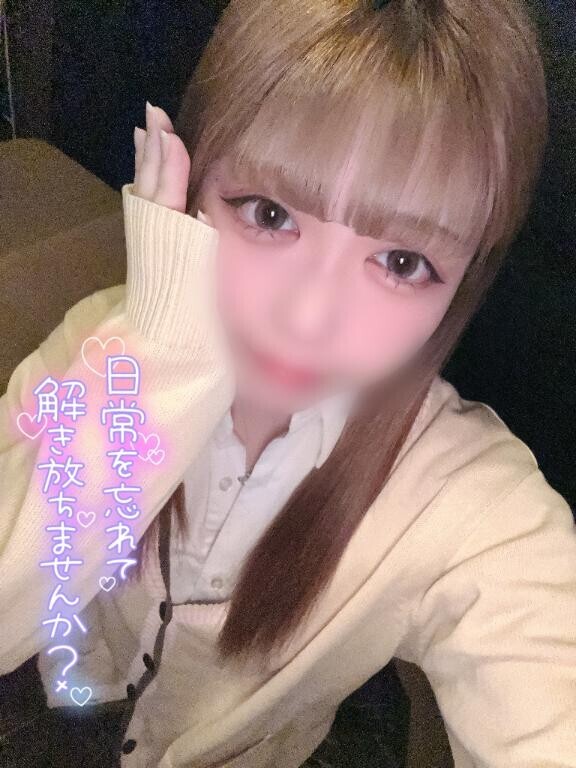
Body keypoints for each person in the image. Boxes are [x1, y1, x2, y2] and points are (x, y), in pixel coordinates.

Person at [1, 1, 575, 767]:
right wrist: (158, 359)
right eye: (269, 214)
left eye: (403, 262)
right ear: (192, 185)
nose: (308, 318)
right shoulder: (101, 347)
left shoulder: (468, 504)